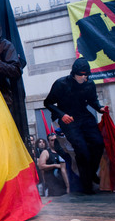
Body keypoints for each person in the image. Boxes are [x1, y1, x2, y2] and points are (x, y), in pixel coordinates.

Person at [44, 57, 107, 194]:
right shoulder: (61, 84)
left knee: (98, 143)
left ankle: (90, 173)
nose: (83, 77)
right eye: (81, 74)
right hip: (68, 118)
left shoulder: (89, 83)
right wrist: (62, 115)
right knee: (81, 149)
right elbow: (48, 102)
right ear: (74, 73)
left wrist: (99, 108)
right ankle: (87, 185)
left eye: (86, 75)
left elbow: (92, 100)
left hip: (84, 116)